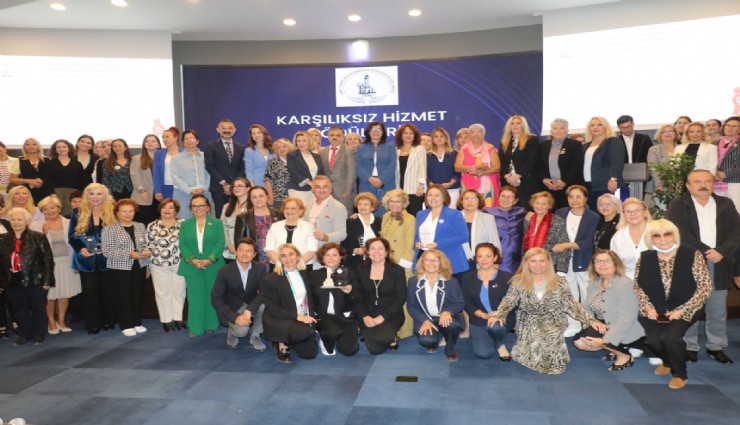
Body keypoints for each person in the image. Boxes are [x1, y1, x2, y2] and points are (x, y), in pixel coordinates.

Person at [666, 169, 740, 365]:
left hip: (719, 263)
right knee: (690, 306)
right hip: (691, 262)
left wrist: (721, 251)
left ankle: (716, 346)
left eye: (707, 181)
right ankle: (689, 346)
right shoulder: (678, 205)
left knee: (717, 308)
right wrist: (707, 251)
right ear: (688, 186)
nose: (703, 185)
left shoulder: (725, 204)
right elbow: (679, 233)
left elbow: (737, 231)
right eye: (697, 182)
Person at [491, 247, 602, 375]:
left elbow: (570, 305)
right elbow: (509, 300)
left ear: (548, 262)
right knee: (535, 346)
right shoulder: (519, 280)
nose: (538, 265)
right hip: (528, 319)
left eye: (542, 261)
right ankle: (525, 350)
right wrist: (498, 314)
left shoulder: (560, 281)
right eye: (533, 261)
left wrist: (590, 320)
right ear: (526, 263)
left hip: (553, 319)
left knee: (550, 341)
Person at [633, 220, 711, 389]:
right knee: (653, 341)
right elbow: (637, 286)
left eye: (667, 234)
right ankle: (668, 362)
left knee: (670, 338)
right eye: (656, 235)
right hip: (653, 308)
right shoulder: (645, 257)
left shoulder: (692, 254)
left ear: (674, 235)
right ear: (651, 238)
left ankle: (680, 374)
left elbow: (705, 287)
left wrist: (682, 310)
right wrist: (647, 306)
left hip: (686, 307)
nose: (662, 239)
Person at [573, 250, 645, 371]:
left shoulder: (625, 284)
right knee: (580, 342)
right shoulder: (595, 282)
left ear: (615, 263)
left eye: (607, 261)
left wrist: (604, 340)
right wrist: (590, 320)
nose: (602, 264)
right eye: (598, 261)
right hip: (604, 323)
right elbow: (588, 306)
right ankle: (614, 348)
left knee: (588, 340)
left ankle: (624, 356)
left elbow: (627, 319)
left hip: (626, 327)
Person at [0, 207, 55, 346]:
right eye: (13, 219)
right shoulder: (3, 239)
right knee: (18, 309)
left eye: (19, 219)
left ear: (26, 221)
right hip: (12, 280)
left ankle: (39, 334)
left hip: (35, 279)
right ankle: (25, 334)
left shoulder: (38, 237)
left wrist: (47, 281)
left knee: (38, 308)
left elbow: (48, 260)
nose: (16, 222)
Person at [68, 183, 116, 334]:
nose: (95, 197)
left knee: (108, 291)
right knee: (90, 293)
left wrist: (109, 246)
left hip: (107, 259)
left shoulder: (113, 211)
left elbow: (120, 234)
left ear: (105, 196)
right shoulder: (77, 212)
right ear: (86, 196)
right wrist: (81, 248)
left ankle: (109, 320)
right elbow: (72, 236)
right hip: (86, 260)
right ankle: (93, 324)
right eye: (92, 194)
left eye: (99, 194)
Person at [30, 196, 81, 335]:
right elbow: (32, 248)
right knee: (50, 295)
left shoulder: (70, 222)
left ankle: (61, 320)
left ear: (59, 208)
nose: (50, 211)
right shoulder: (35, 225)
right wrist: (43, 233)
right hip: (47, 265)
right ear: (42, 211)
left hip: (67, 262)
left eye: (52, 207)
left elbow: (76, 243)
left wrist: (77, 262)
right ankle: (51, 321)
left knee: (65, 293)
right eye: (45, 209)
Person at [554, 185, 600, 336]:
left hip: (584, 260)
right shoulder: (560, 213)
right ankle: (573, 324)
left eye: (578, 196)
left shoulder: (593, 217)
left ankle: (589, 324)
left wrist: (566, 245)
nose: (574, 200)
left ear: (586, 198)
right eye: (571, 197)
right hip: (565, 261)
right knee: (569, 294)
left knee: (587, 295)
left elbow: (589, 242)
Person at [177, 194, 225, 337]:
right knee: (195, 297)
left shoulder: (217, 223)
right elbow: (183, 244)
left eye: (202, 205)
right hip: (192, 266)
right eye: (195, 206)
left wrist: (210, 259)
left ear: (207, 207)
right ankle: (195, 327)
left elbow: (220, 243)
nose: (198, 208)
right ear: (191, 208)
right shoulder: (185, 224)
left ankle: (211, 323)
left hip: (212, 265)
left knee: (211, 295)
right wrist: (192, 259)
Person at [101, 199, 150, 337]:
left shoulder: (140, 226)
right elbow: (107, 251)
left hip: (139, 265)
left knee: (137, 295)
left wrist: (147, 254)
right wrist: (129, 254)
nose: (128, 214)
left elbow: (145, 244)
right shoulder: (109, 229)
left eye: (130, 211)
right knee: (123, 296)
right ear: (117, 213)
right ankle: (126, 324)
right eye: (124, 211)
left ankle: (137, 322)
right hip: (120, 268)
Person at [262, 243, 318, 362]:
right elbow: (272, 308)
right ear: (280, 259)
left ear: (298, 256)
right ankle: (280, 341)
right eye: (283, 256)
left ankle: (292, 338)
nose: (288, 258)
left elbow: (309, 300)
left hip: (301, 314)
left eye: (291, 254)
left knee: (310, 354)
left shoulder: (303, 274)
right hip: (280, 318)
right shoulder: (272, 279)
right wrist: (297, 316)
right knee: (305, 332)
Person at [211, 237, 268, 351]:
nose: (244, 254)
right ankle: (232, 332)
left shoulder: (260, 268)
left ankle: (255, 336)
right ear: (236, 252)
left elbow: (264, 292)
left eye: (248, 251)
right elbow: (216, 299)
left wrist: (249, 309)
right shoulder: (224, 271)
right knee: (241, 332)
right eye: (241, 250)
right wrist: (235, 317)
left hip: (251, 304)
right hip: (232, 308)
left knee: (266, 304)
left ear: (254, 254)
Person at [407, 249, 464, 361]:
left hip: (445, 318)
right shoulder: (413, 281)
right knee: (427, 341)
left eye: (435, 260)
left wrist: (447, 311)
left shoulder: (451, 281)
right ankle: (433, 343)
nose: (431, 263)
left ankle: (450, 349)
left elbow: (459, 303)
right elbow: (411, 306)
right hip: (425, 318)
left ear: (441, 263)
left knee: (453, 325)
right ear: (422, 262)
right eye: (427, 260)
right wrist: (424, 320)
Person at [462, 243, 514, 360]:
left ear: (495, 257)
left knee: (496, 328)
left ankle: (499, 343)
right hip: (478, 318)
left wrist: (498, 314)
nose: (483, 260)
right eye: (480, 256)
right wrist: (483, 315)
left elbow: (513, 302)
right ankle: (487, 334)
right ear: (476, 259)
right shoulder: (468, 277)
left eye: (488, 256)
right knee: (483, 354)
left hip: (501, 318)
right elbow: (466, 301)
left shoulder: (507, 277)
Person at [355, 237, 407, 354]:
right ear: (367, 252)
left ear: (386, 251)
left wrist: (382, 317)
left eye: (380, 248)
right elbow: (357, 296)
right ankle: (372, 332)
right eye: (372, 248)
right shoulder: (361, 269)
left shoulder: (397, 270)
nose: (376, 252)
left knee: (382, 340)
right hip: (367, 314)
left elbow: (401, 297)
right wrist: (364, 316)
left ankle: (389, 336)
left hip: (390, 314)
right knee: (375, 350)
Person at [308, 243, 360, 356]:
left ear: (341, 257)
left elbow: (359, 297)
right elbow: (309, 298)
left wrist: (350, 290)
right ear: (322, 258)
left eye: (335, 255)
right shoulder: (314, 275)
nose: (331, 258)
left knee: (349, 350)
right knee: (331, 334)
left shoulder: (350, 274)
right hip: (324, 316)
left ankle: (339, 335)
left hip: (345, 316)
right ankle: (325, 338)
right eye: (327, 255)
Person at [146, 198, 187, 332]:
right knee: (163, 293)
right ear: (160, 210)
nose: (167, 210)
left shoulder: (184, 224)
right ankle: (166, 320)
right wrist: (147, 266)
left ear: (176, 211)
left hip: (179, 263)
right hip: (158, 264)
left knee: (179, 291)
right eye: (164, 207)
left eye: (171, 207)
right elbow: (148, 245)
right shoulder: (152, 225)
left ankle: (178, 318)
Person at [414, 185, 469, 277]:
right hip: (425, 259)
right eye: (430, 195)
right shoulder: (420, 214)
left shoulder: (454, 214)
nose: (433, 198)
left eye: (437, 195)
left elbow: (464, 237)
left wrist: (438, 244)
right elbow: (417, 236)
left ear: (444, 198)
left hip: (448, 259)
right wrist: (417, 243)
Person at [538, 118, 584, 210]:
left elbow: (576, 166)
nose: (558, 131)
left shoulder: (575, 145)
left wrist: (564, 181)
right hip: (549, 187)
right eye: (555, 128)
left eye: (562, 128)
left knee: (567, 212)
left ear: (567, 131)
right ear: (551, 131)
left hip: (569, 187)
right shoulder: (543, 145)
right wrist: (544, 179)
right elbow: (539, 165)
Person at [233, 186, 283, 269]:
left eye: (261, 196)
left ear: (267, 197)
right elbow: (239, 243)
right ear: (250, 199)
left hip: (276, 258)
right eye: (254, 197)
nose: (258, 199)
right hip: (254, 259)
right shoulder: (242, 217)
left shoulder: (279, 215)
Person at [204, 119, 246, 216]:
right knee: (221, 214)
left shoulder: (241, 147)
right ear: (218, 130)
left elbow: (243, 167)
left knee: (239, 214)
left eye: (230, 128)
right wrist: (224, 184)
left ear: (234, 130)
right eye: (224, 128)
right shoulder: (211, 146)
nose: (227, 130)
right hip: (219, 188)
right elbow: (210, 166)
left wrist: (234, 185)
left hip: (237, 188)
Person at [582, 116, 626, 210]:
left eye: (599, 124)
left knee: (608, 210)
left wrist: (613, 179)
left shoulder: (612, 141)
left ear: (605, 127)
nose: (595, 127)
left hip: (606, 184)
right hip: (588, 184)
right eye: (592, 125)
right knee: (593, 211)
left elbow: (617, 162)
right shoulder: (585, 145)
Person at [499, 115, 542, 209]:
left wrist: (518, 176)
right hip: (508, 182)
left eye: (518, 123)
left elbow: (531, 160)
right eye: (512, 123)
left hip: (526, 181)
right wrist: (506, 176)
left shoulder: (531, 139)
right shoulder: (504, 141)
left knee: (526, 209)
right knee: (509, 208)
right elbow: (501, 161)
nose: (515, 125)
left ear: (523, 125)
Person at [522, 191, 570, 274]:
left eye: (544, 203)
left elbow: (564, 246)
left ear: (549, 205)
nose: (540, 206)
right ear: (532, 204)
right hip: (529, 264)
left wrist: (562, 271)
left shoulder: (557, 221)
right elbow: (523, 242)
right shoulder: (528, 219)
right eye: (537, 203)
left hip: (549, 264)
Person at [356, 121, 397, 216]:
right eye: (373, 129)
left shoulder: (390, 146)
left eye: (379, 129)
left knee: (386, 212)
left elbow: (392, 165)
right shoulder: (361, 147)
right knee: (367, 211)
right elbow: (358, 166)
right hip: (366, 183)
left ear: (383, 132)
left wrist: (381, 180)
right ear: (368, 132)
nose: (376, 131)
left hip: (386, 184)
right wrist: (369, 178)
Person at [455, 123, 501, 208]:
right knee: (470, 207)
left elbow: (497, 167)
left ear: (483, 134)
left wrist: (480, 173)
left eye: (478, 132)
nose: (475, 134)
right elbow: (457, 167)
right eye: (472, 132)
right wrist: (475, 167)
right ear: (469, 135)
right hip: (469, 182)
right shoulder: (463, 149)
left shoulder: (490, 148)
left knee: (488, 208)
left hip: (489, 183)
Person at [264, 197, 317, 266]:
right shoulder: (275, 226)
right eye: (286, 208)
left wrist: (296, 265)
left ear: (301, 211)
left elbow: (312, 250)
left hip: (302, 266)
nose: (289, 211)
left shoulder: (309, 227)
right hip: (278, 266)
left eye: (293, 208)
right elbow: (269, 248)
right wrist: (281, 264)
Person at [171, 129, 211, 220]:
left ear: (197, 141)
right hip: (183, 194)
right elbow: (175, 177)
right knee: (184, 221)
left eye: (192, 138)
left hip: (203, 193)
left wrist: (204, 188)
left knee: (204, 221)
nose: (189, 140)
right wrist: (189, 190)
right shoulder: (176, 158)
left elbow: (209, 173)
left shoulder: (205, 156)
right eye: (186, 139)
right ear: (183, 142)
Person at [486, 186, 526, 273]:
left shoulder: (522, 212)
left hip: (515, 255)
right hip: (495, 253)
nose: (505, 199)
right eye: (503, 196)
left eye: (510, 197)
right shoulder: (487, 212)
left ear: (515, 200)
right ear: (498, 197)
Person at [459, 189, 500, 271]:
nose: (470, 201)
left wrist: (496, 262)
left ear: (479, 201)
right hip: (459, 260)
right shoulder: (453, 217)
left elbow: (494, 240)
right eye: (467, 199)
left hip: (481, 261)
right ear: (462, 201)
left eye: (473, 199)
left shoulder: (488, 218)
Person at [610, 197, 651, 280]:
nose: (633, 214)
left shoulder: (657, 232)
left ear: (645, 213)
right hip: (627, 281)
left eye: (637, 210)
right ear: (624, 215)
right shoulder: (618, 237)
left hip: (655, 280)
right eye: (628, 211)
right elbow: (614, 263)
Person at [303, 175, 348, 250]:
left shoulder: (338, 207)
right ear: (313, 189)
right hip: (307, 249)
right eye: (318, 187)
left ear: (331, 189)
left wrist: (326, 237)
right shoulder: (307, 205)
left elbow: (342, 234)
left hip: (327, 251)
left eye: (325, 187)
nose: (321, 190)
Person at [319, 126, 356, 215]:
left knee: (345, 217)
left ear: (343, 137)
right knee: (328, 217)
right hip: (327, 192)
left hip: (344, 193)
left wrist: (347, 191)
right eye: (332, 135)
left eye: (338, 135)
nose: (334, 137)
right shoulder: (322, 152)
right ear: (328, 136)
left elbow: (351, 172)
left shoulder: (349, 150)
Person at [342, 192, 381, 270]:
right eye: (360, 204)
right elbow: (344, 243)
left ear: (372, 207)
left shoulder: (380, 222)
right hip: (355, 262)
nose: (362, 207)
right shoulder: (350, 222)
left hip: (377, 261)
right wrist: (354, 250)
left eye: (366, 204)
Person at [46, 139, 86, 216]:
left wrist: (79, 196)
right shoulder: (49, 164)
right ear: (55, 150)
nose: (61, 149)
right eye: (58, 147)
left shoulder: (77, 164)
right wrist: (52, 194)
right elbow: (47, 181)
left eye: (64, 147)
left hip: (73, 195)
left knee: (72, 216)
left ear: (69, 148)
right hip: (55, 194)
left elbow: (82, 181)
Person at [395, 123, 427, 216]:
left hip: (415, 190)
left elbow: (422, 169)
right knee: (401, 217)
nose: (408, 135)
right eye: (405, 133)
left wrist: (421, 187)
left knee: (414, 216)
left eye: (411, 133)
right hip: (400, 190)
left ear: (414, 136)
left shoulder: (420, 149)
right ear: (401, 135)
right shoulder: (396, 150)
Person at [646, 124, 679, 210]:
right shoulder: (654, 149)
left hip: (679, 186)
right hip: (661, 187)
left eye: (671, 131)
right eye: (664, 132)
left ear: (675, 134)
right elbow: (654, 169)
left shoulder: (681, 148)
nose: (668, 133)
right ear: (660, 135)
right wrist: (660, 185)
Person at [10, 138, 53, 204]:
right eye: (27, 144)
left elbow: (52, 177)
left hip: (46, 193)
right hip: (26, 194)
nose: (31, 146)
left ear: (38, 146)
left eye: (34, 144)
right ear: (24, 147)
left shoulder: (48, 160)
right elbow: (12, 179)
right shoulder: (18, 161)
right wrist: (28, 181)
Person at [287, 131, 325, 206]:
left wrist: (318, 185)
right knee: (301, 211)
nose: (301, 143)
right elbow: (293, 173)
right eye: (299, 141)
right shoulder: (292, 155)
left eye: (304, 140)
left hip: (314, 191)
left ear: (309, 142)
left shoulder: (316, 156)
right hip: (298, 190)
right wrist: (310, 183)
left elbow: (321, 173)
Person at [130, 133, 161, 225]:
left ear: (158, 144)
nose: (150, 143)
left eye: (153, 141)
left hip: (161, 195)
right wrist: (142, 190)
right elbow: (135, 176)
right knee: (145, 221)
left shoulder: (163, 158)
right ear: (144, 144)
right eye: (147, 141)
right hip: (144, 195)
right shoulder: (137, 158)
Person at [427, 127, 461, 207]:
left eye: (441, 136)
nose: (439, 138)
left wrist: (450, 183)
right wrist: (431, 184)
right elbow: (424, 173)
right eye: (436, 136)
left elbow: (458, 172)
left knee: (451, 212)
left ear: (446, 138)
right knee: (436, 212)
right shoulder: (427, 155)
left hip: (452, 190)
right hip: (433, 191)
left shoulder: (455, 153)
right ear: (433, 139)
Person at [220, 177, 251, 263]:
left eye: (240, 186)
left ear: (248, 188)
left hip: (249, 250)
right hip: (230, 249)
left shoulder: (254, 206)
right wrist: (229, 245)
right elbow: (223, 227)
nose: (236, 188)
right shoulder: (227, 206)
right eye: (234, 186)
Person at [153, 126, 183, 203]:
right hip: (165, 187)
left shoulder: (184, 152)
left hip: (182, 187)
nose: (164, 139)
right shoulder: (158, 153)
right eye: (163, 137)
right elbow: (156, 173)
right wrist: (157, 191)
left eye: (167, 137)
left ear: (175, 138)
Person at [715, 116, 740, 210]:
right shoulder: (714, 143)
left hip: (735, 182)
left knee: (736, 210)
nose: (730, 128)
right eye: (728, 125)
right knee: (719, 211)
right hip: (715, 181)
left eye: (734, 126)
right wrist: (714, 173)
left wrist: (726, 173)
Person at [264, 138, 292, 210]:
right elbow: (267, 180)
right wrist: (271, 196)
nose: (282, 149)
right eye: (278, 147)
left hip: (295, 195)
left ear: (289, 147)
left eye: (284, 146)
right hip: (279, 197)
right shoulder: (272, 162)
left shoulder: (295, 160)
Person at [244, 124, 274, 189]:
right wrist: (253, 186)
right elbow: (249, 170)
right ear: (251, 136)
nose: (256, 135)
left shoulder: (273, 149)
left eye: (259, 132)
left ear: (264, 134)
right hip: (258, 184)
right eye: (253, 133)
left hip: (274, 184)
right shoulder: (249, 150)